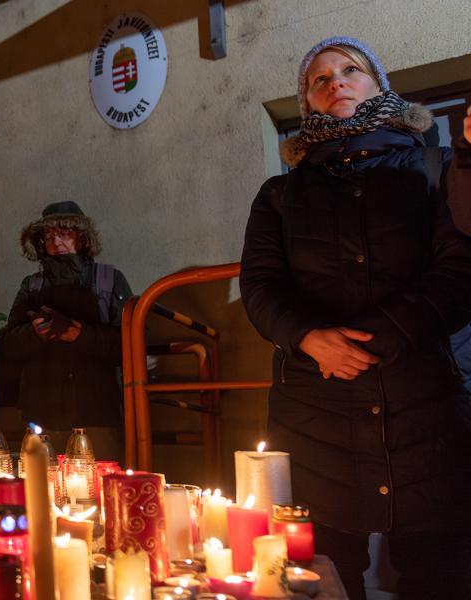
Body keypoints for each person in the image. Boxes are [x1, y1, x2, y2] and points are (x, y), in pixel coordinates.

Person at [239, 37, 471, 599]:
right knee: (323, 569)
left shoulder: (432, 171)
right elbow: (261, 286)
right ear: (308, 102)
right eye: (319, 79)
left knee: (435, 567)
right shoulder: (279, 194)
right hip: (316, 404)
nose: (335, 82)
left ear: (379, 85)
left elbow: (458, 272)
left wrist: (378, 338)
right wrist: (310, 338)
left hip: (421, 398)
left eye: (350, 70)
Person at [0, 201, 132, 459]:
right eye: (48, 235)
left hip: (98, 416)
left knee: (100, 490)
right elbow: (9, 345)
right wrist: (35, 335)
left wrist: (80, 334)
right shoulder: (32, 286)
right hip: (43, 418)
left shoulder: (108, 280)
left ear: (81, 237)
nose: (56, 242)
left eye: (64, 233)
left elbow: (132, 343)